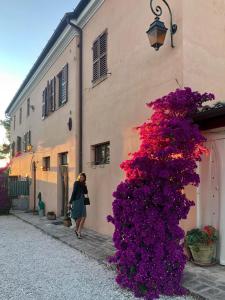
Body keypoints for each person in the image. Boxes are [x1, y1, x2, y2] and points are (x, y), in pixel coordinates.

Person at [69, 173, 88, 239]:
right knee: (79, 217)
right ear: (79, 177)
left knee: (84, 216)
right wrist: (70, 202)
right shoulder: (76, 183)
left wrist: (87, 201)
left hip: (83, 201)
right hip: (77, 201)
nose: (81, 178)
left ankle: (78, 231)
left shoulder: (84, 185)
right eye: (80, 177)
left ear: (84, 178)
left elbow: (86, 193)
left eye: (83, 177)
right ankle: (78, 231)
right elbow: (74, 192)